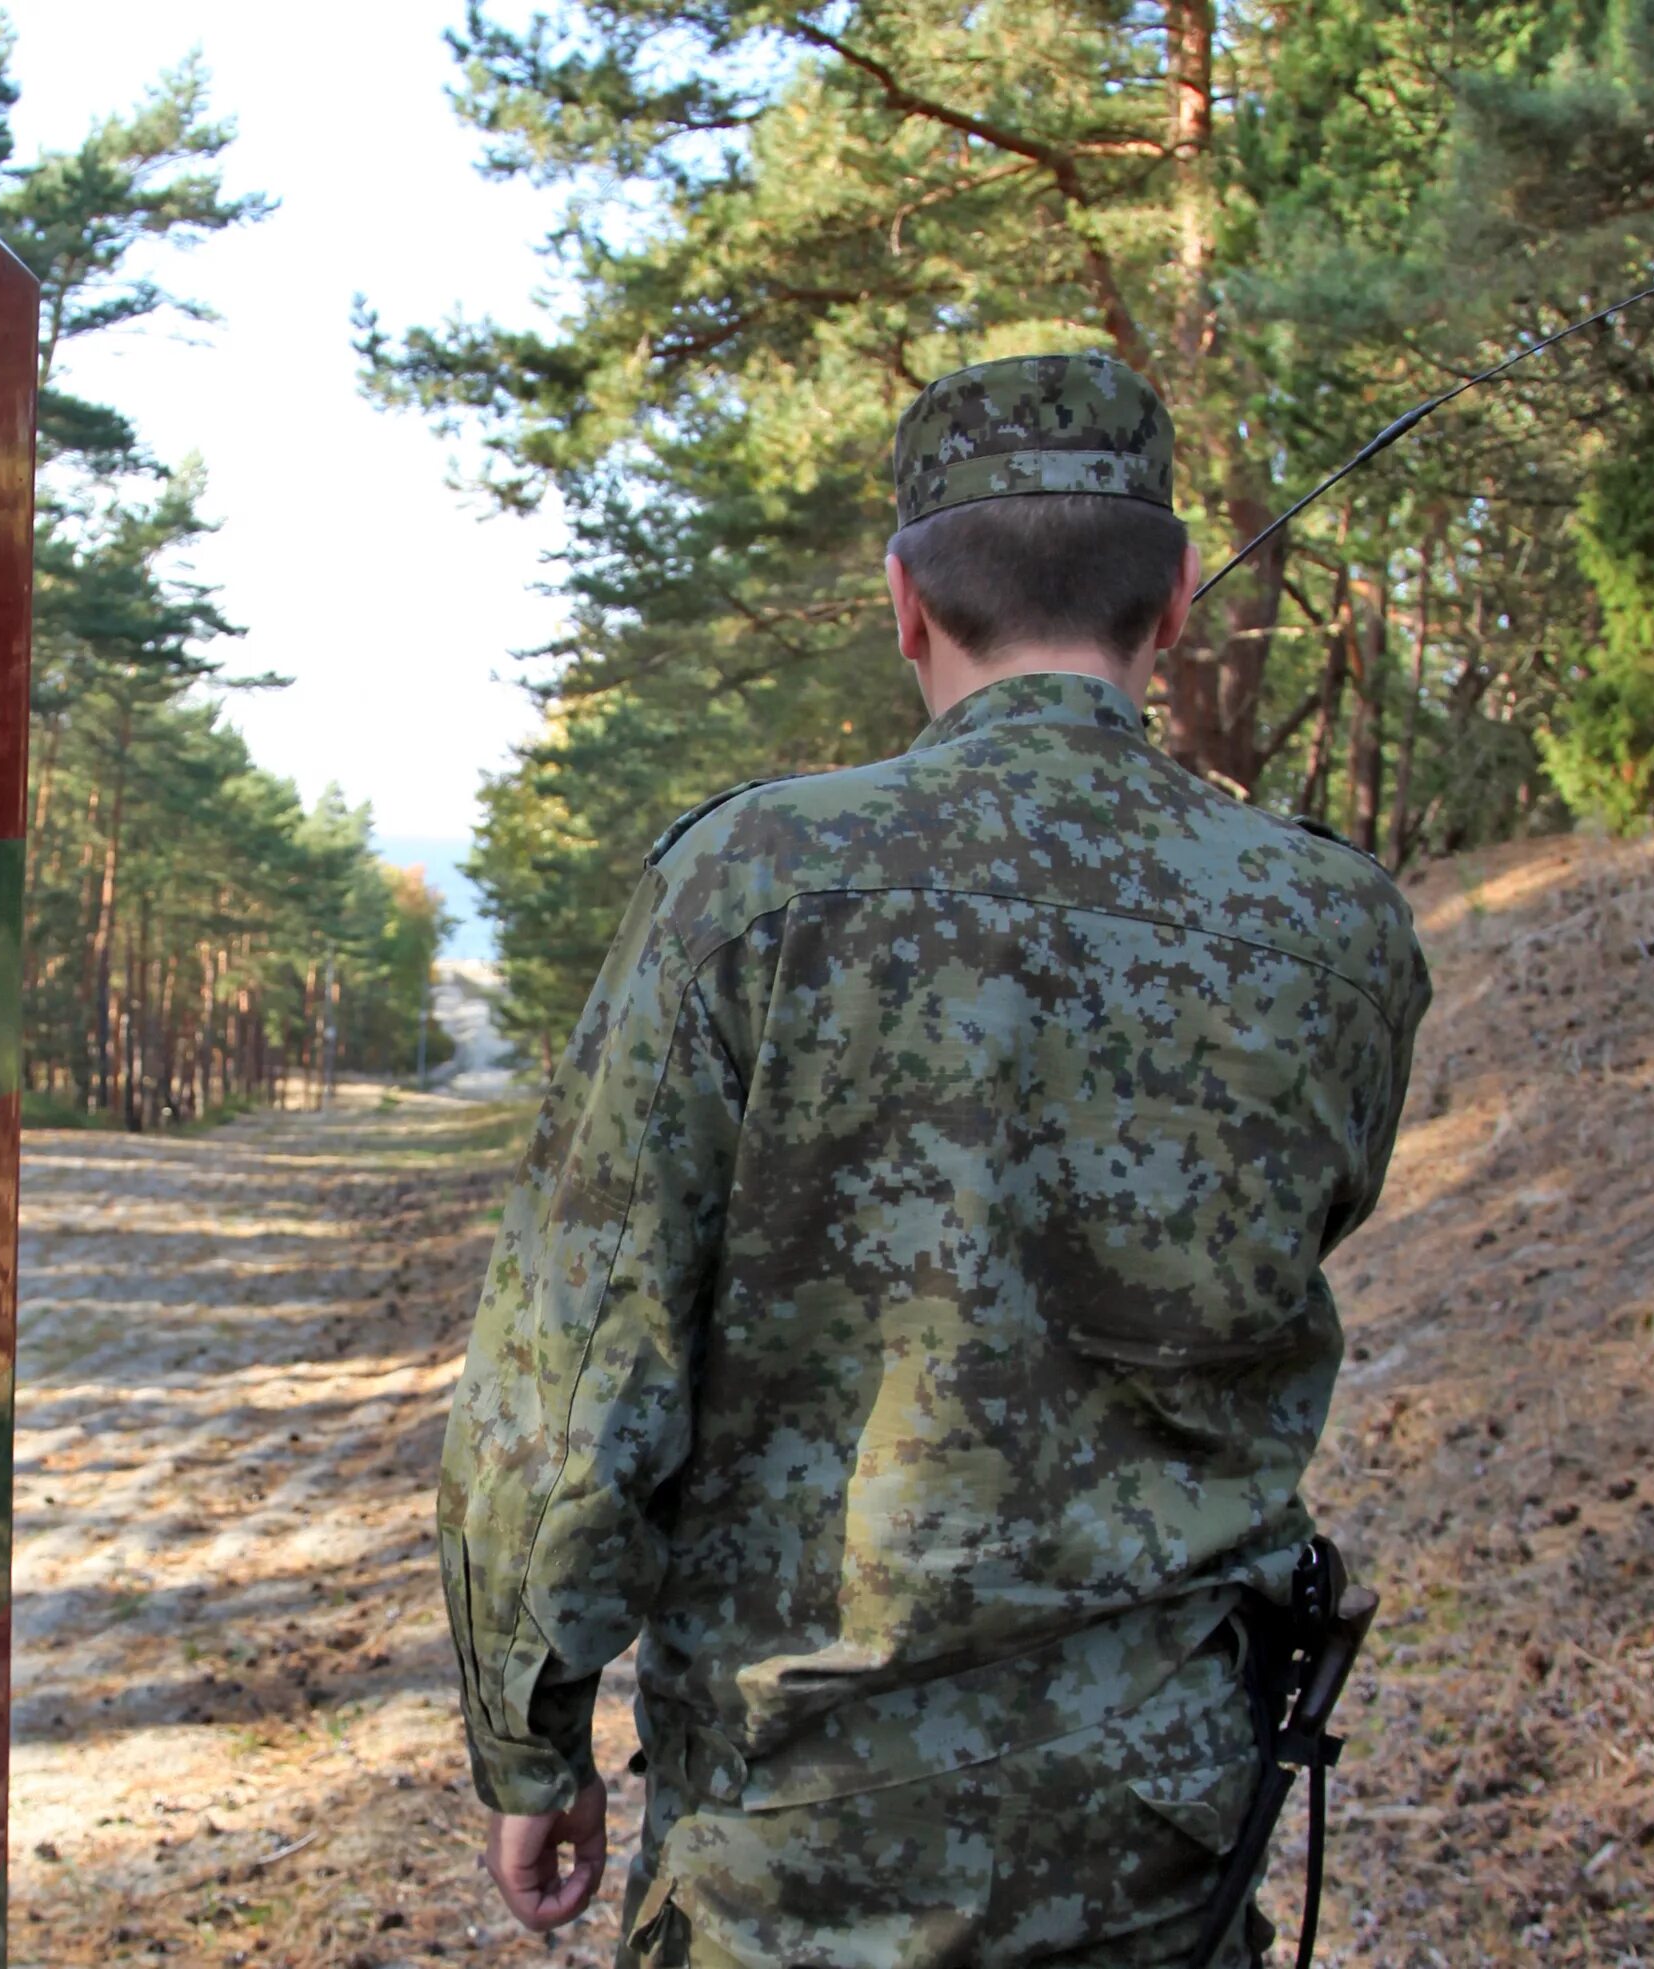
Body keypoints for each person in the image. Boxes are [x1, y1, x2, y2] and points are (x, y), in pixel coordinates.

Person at [437, 351, 1432, 1967]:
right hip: (1156, 1840)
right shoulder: (1331, 928)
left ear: (905, 601)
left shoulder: (748, 886)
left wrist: (527, 1738)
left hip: (795, 1847)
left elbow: (566, 1379)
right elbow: (1311, 1216)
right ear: (1174, 595)